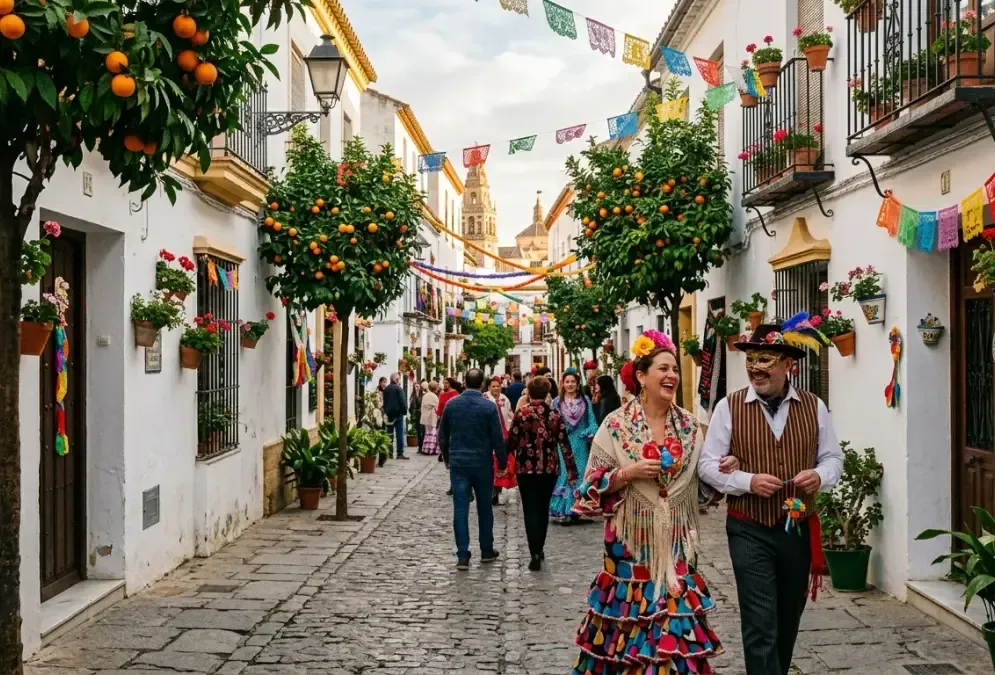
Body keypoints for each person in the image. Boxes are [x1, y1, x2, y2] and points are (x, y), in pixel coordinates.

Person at [571, 329, 737, 675]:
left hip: (676, 544)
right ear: (641, 377)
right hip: (629, 547)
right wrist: (627, 473)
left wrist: (723, 469)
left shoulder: (691, 427)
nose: (672, 376)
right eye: (663, 369)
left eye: (674, 369)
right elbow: (588, 487)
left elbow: (702, 491)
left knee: (674, 630)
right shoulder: (615, 426)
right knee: (628, 633)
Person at [697, 316, 842, 675]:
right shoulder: (727, 408)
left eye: (766, 361)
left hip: (796, 527)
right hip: (749, 528)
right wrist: (748, 481)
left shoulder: (814, 406)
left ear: (789, 365)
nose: (755, 369)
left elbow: (833, 458)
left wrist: (819, 475)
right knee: (761, 620)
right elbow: (707, 465)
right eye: (751, 361)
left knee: (787, 617)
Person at [439, 368, 507, 570]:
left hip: (459, 464)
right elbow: (497, 439)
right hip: (482, 463)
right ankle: (486, 549)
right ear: (483, 385)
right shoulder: (488, 407)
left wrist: (448, 458)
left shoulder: (452, 405)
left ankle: (462, 555)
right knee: (484, 508)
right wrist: (502, 462)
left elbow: (443, 436)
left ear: (464, 383)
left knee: (460, 509)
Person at [507, 376, 578, 571]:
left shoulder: (521, 414)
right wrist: (571, 470)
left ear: (529, 392)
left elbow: (511, 441)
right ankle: (540, 548)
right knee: (543, 507)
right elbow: (564, 444)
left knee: (530, 508)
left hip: (525, 468)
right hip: (549, 468)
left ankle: (534, 552)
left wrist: (503, 461)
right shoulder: (554, 414)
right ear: (547, 393)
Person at [549, 368, 598, 522]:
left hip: (580, 444)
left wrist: (589, 432)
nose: (570, 384)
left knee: (580, 474)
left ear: (578, 384)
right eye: (567, 382)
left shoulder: (585, 401)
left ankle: (578, 508)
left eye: (573, 382)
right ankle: (563, 509)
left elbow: (593, 422)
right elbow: (551, 423)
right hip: (563, 444)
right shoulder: (557, 402)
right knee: (564, 475)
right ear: (562, 384)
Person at [484, 375, 516, 506]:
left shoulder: (504, 399)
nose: (496, 388)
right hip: (487, 434)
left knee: (502, 463)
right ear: (488, 387)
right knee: (490, 464)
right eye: (493, 386)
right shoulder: (485, 398)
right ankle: (490, 490)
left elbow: (509, 415)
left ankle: (497, 491)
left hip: (503, 434)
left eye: (498, 386)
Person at [382, 373, 408, 461]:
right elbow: (403, 402)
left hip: (389, 414)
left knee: (389, 434)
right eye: (398, 379)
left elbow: (384, 402)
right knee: (399, 434)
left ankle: (389, 452)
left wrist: (386, 411)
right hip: (398, 414)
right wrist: (404, 411)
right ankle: (400, 453)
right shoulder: (399, 389)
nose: (399, 380)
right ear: (396, 380)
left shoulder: (386, 389)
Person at [419, 380, 440, 456]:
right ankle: (431, 449)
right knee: (432, 434)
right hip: (432, 417)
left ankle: (425, 448)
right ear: (435, 388)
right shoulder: (434, 396)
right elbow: (437, 407)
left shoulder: (425, 395)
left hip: (425, 417)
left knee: (427, 434)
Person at [375, 377, 389, 467]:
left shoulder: (386, 392)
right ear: (380, 383)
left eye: (385, 382)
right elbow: (378, 404)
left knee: (384, 436)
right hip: (378, 417)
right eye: (383, 382)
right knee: (380, 436)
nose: (384, 384)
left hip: (385, 417)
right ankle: (381, 458)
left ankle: (383, 457)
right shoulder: (377, 392)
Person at [410, 381, 425, 452]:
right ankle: (420, 446)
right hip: (416, 415)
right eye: (415, 386)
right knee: (418, 431)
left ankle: (422, 446)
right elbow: (411, 406)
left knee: (422, 431)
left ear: (420, 387)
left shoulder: (423, 395)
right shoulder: (413, 395)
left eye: (418, 386)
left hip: (422, 414)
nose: (416, 388)